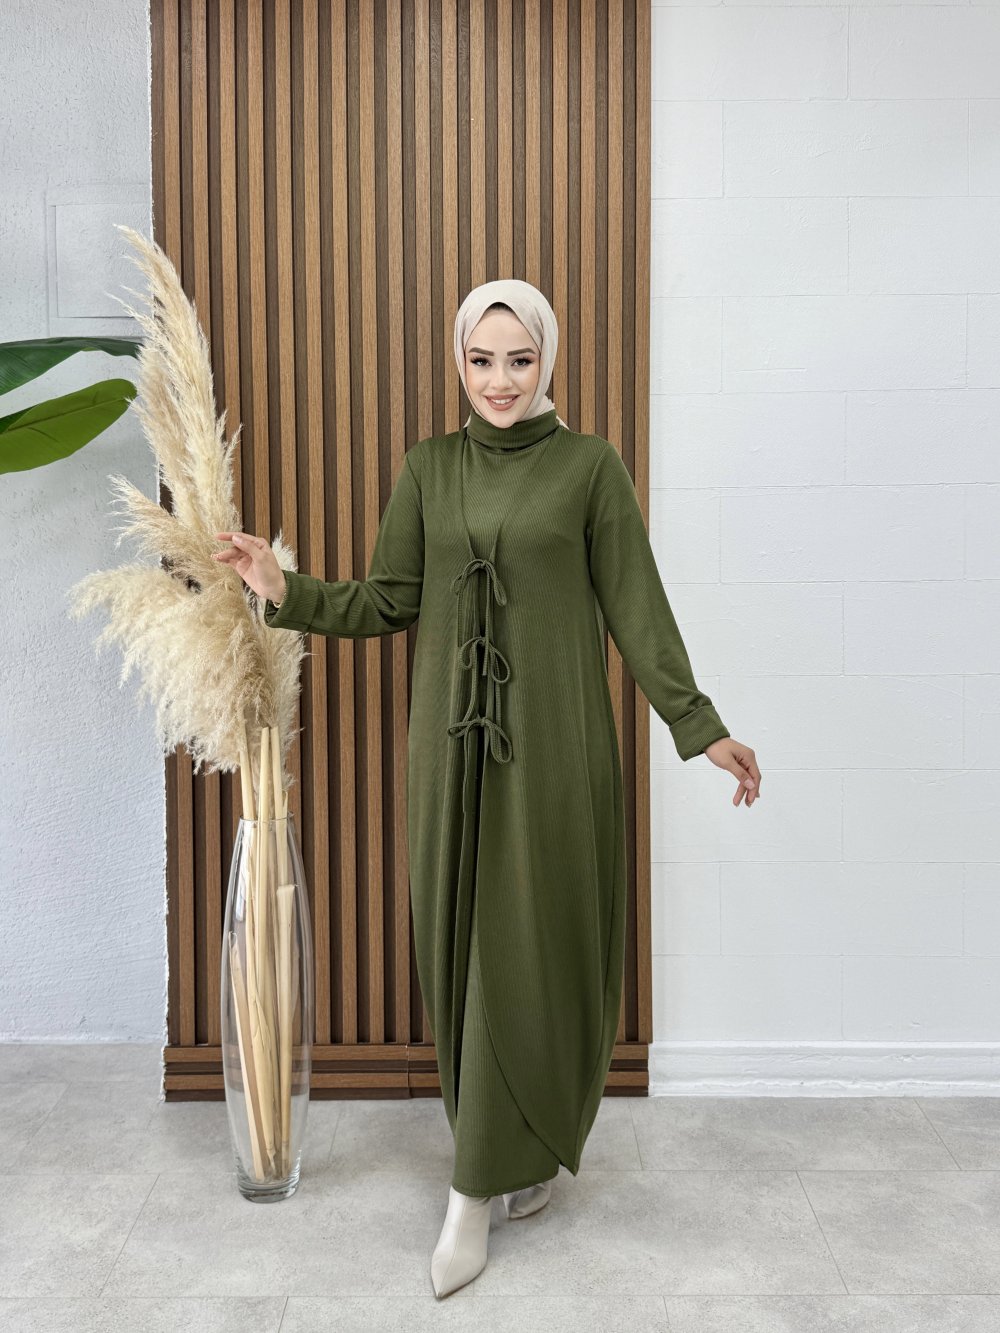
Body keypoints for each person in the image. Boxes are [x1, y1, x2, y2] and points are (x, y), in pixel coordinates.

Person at [212, 278, 761, 1299]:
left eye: (519, 359)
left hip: (553, 750)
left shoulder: (590, 468)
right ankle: (511, 1148)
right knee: (460, 948)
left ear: (546, 360)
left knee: (531, 950)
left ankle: (474, 1187)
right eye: (481, 360)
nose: (500, 380)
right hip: (449, 750)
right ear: (458, 361)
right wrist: (282, 589)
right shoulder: (430, 467)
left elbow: (637, 609)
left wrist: (701, 727)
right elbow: (388, 600)